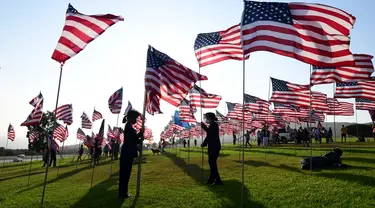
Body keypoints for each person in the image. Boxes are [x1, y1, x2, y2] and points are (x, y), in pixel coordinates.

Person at [118, 110, 144, 199]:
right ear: (131, 118)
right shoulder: (128, 127)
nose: (136, 120)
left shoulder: (129, 127)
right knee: (125, 174)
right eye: (135, 118)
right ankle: (122, 193)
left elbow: (134, 140)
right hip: (127, 153)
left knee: (126, 174)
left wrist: (140, 137)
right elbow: (131, 139)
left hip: (128, 153)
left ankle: (123, 193)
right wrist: (140, 134)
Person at [201, 112, 223, 186]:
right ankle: (211, 179)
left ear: (210, 118)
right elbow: (208, 136)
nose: (206, 119)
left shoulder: (214, 125)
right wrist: (204, 143)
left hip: (215, 146)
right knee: (211, 163)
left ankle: (218, 179)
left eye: (207, 118)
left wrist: (204, 127)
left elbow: (210, 133)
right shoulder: (211, 125)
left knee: (212, 163)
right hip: (212, 146)